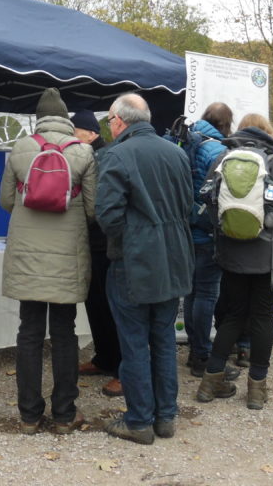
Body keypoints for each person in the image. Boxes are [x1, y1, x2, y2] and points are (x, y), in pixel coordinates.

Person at [96, 93, 194, 444]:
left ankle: (139, 421)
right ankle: (165, 417)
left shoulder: (117, 153)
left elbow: (107, 214)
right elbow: (188, 205)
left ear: (119, 121)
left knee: (135, 342)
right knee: (163, 339)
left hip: (135, 262)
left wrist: (134, 238)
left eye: (109, 121)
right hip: (174, 257)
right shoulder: (177, 152)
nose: (109, 127)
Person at [0, 88, 98, 434]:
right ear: (67, 118)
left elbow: (6, 200)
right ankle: (64, 414)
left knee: (28, 332)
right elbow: (92, 208)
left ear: (38, 118)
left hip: (27, 253)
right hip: (66, 255)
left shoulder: (21, 148)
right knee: (64, 333)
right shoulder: (83, 151)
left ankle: (28, 416)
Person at [195, 112, 273, 410]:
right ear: (268, 132)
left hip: (231, 255)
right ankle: (257, 389)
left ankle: (210, 381)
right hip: (268, 259)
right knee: (261, 318)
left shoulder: (223, 159)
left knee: (232, 315)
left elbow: (206, 200)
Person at [71, 109, 123, 398]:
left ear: (91, 133)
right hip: (89, 242)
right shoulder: (86, 155)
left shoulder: (104, 157)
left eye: (75, 131)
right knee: (94, 303)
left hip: (106, 243)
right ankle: (103, 358)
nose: (71, 136)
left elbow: (102, 203)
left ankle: (122, 368)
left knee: (111, 305)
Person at [182, 102, 234, 378]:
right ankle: (202, 354)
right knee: (206, 293)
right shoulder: (218, 150)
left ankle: (195, 349)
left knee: (191, 292)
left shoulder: (187, 140)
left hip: (185, 229)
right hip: (208, 232)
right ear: (226, 124)